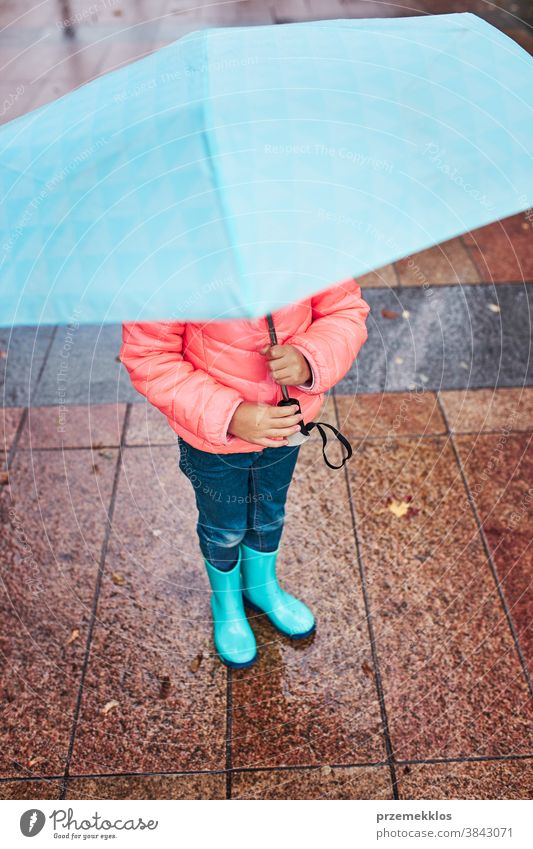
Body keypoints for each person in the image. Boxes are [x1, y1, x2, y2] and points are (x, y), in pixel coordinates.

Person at [120, 280, 369, 668]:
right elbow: (150, 355)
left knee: (270, 511)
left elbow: (344, 310)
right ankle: (225, 599)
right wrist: (231, 414)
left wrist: (309, 359)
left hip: (286, 426)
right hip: (212, 440)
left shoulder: (305, 241)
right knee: (224, 526)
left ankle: (260, 586)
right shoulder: (171, 266)